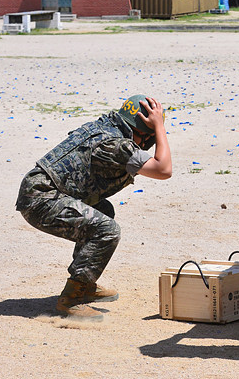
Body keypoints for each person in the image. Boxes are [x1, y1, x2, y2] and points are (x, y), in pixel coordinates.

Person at [16, 95, 172, 321]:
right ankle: (71, 299)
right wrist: (160, 127)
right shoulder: (115, 145)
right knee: (107, 230)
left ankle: (84, 284)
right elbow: (163, 169)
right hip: (41, 198)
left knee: (103, 211)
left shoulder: (107, 128)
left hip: (42, 191)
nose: (146, 144)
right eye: (147, 138)